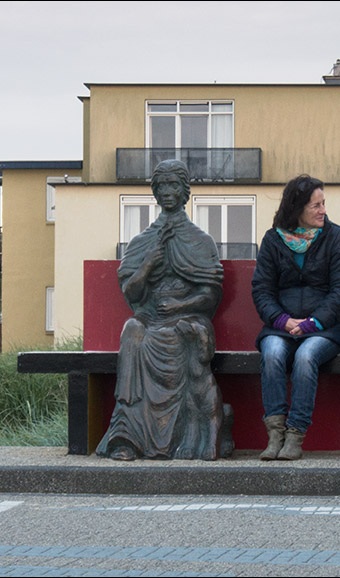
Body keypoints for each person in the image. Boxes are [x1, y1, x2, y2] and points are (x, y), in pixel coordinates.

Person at [96, 159, 225, 461]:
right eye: (161, 186)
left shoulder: (200, 241)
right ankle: (126, 435)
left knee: (182, 334)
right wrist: (148, 264)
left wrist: (182, 305)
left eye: (173, 185)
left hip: (188, 317)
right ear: (154, 192)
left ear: (185, 192)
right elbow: (131, 294)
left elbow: (210, 296)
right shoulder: (141, 242)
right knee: (132, 332)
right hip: (149, 318)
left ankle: (184, 437)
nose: (167, 192)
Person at [252, 175, 340, 461]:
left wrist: (314, 323)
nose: (322, 210)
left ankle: (295, 434)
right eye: (315, 205)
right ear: (297, 208)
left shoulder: (337, 236)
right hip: (281, 325)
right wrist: (281, 320)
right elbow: (261, 289)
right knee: (271, 352)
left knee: (305, 356)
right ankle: (275, 434)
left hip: (326, 328)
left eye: (323, 204)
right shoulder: (273, 240)